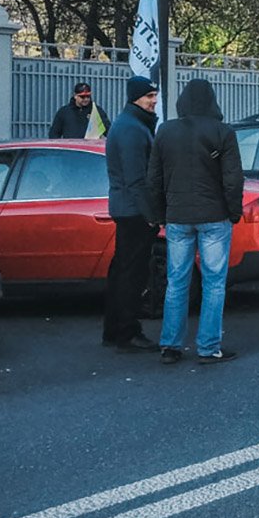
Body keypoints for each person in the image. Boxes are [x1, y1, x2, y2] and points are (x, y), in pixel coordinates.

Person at [148, 78, 243, 364]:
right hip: (214, 216)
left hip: (177, 216)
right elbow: (233, 179)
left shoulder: (165, 131)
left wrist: (158, 214)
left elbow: (154, 179)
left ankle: (170, 345)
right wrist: (234, 211)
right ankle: (208, 346)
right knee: (214, 283)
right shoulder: (222, 132)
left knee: (176, 281)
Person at [102, 75, 160, 352]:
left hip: (127, 208)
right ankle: (127, 331)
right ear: (136, 97)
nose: (154, 102)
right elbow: (137, 178)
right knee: (132, 274)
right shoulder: (132, 129)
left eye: (154, 96)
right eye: (149, 97)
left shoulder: (128, 124)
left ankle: (114, 329)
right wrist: (151, 214)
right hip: (134, 211)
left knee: (122, 270)